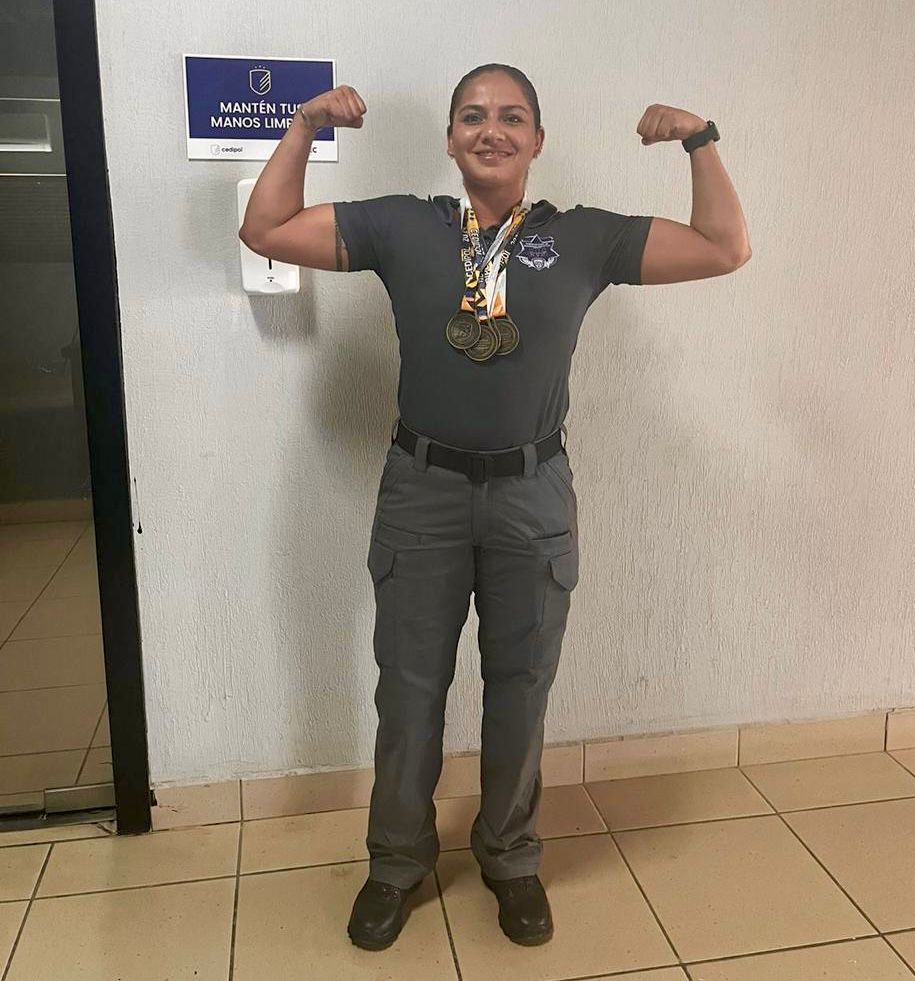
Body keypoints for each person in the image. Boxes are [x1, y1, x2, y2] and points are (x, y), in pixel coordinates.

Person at [240, 63, 751, 951]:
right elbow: (266, 227)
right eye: (473, 115)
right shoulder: (404, 225)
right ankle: (396, 862)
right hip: (423, 491)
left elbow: (723, 247)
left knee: (520, 689)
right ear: (450, 139)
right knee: (409, 691)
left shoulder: (583, 237)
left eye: (512, 117)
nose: (492, 129)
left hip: (531, 493)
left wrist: (700, 141)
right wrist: (304, 124)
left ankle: (510, 855)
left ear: (536, 140)